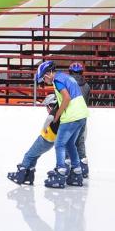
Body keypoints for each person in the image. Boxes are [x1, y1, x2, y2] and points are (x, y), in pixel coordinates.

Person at [36, 61, 89, 189]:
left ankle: (60, 173)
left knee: (59, 144)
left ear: (48, 73)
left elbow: (66, 98)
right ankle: (77, 173)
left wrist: (57, 115)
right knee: (70, 144)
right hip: (82, 115)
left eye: (43, 78)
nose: (44, 81)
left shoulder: (57, 80)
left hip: (71, 116)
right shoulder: (65, 77)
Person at [7, 94, 60, 185]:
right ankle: (29, 176)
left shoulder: (54, 112)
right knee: (34, 156)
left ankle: (20, 174)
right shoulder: (60, 112)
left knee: (28, 155)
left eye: (46, 107)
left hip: (44, 139)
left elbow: (49, 118)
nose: (46, 110)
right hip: (50, 142)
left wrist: (44, 128)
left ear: (50, 105)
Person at [68, 62, 92, 177]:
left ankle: (66, 166)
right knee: (80, 140)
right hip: (82, 115)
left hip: (69, 115)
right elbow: (86, 102)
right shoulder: (87, 86)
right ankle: (83, 167)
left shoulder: (67, 84)